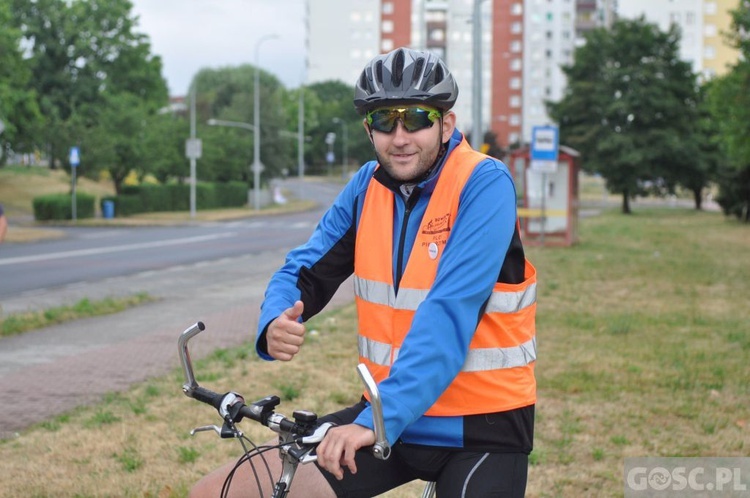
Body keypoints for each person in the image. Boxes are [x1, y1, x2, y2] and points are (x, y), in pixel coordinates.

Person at [191, 47, 537, 498]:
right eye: (383, 121)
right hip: (388, 415)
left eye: (416, 118)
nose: (400, 137)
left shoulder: (484, 184)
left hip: (481, 423)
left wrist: (379, 419)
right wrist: (277, 316)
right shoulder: (365, 187)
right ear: (367, 129)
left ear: (446, 124)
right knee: (224, 491)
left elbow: (449, 313)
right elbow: (304, 268)